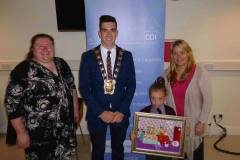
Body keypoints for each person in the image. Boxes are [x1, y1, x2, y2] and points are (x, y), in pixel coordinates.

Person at [5, 33, 79, 160]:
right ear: (32, 49)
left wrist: (76, 109)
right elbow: (12, 104)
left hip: (65, 128)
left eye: (49, 45)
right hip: (38, 133)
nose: (45, 49)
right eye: (40, 46)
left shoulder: (62, 63)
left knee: (65, 156)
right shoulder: (23, 70)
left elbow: (72, 88)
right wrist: (21, 132)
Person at [79, 15, 136, 160]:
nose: (109, 34)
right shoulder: (88, 57)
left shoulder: (127, 56)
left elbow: (131, 85)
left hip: (120, 113)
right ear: (99, 33)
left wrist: (122, 111)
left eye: (112, 30)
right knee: (97, 151)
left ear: (117, 33)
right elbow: (84, 88)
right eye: (105, 30)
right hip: (97, 114)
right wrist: (101, 112)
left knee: (118, 149)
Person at [164, 39, 212, 160]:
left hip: (194, 123)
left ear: (188, 53)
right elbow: (164, 100)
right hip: (174, 124)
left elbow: (208, 100)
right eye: (175, 53)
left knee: (194, 154)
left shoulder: (200, 73)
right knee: (176, 155)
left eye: (182, 52)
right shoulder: (167, 74)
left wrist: (202, 122)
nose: (178, 56)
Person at [130, 77, 190, 160]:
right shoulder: (144, 112)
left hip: (166, 149)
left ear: (165, 96)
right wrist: (135, 136)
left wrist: (183, 132)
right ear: (149, 96)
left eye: (159, 99)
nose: (156, 102)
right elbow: (140, 132)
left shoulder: (170, 111)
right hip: (150, 148)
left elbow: (175, 130)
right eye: (153, 98)